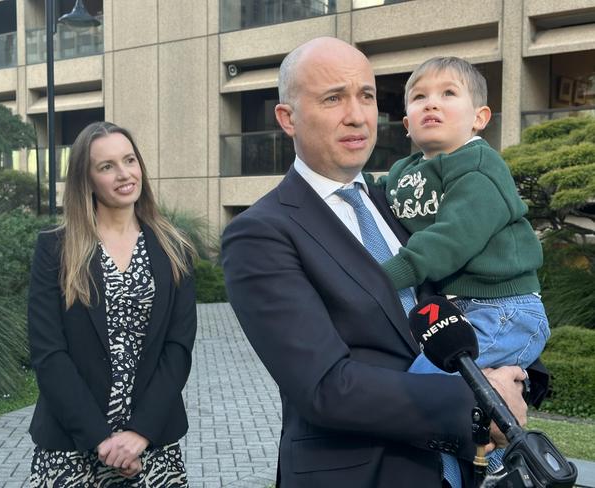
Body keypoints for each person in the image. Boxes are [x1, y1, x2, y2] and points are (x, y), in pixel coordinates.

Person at [221, 37, 537, 488]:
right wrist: (477, 403)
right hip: (361, 473)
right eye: (333, 98)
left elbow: (471, 299)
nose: (357, 115)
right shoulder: (259, 233)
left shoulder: (398, 200)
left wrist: (517, 376)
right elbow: (325, 388)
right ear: (287, 118)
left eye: (366, 96)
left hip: (454, 472)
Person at [371, 56, 550, 474]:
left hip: (504, 309)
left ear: (479, 117)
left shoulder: (479, 166)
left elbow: (449, 239)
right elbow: (375, 201)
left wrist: (382, 279)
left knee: (427, 389)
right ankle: (482, 470)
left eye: (448, 94)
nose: (431, 104)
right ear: (406, 122)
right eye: (419, 97)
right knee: (462, 409)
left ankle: (509, 472)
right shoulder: (403, 171)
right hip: (460, 311)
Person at [28, 121, 197, 487]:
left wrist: (139, 434)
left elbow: (178, 349)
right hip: (71, 447)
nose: (124, 174)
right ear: (86, 180)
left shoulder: (175, 249)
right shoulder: (55, 250)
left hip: (152, 444)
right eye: (107, 166)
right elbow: (48, 353)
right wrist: (101, 441)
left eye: (129, 160)